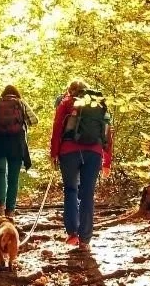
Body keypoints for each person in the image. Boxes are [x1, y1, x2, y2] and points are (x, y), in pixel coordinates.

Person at [50, 79, 113, 248]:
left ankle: (72, 233)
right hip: (94, 152)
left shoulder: (66, 102)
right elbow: (107, 133)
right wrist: (107, 161)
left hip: (68, 152)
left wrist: (54, 153)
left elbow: (57, 128)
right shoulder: (99, 105)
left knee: (70, 190)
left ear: (69, 90)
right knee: (87, 194)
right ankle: (85, 240)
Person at [0, 84, 37, 218]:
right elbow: (34, 120)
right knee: (14, 178)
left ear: (3, 94)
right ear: (16, 93)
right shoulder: (21, 103)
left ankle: (1, 209)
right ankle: (10, 212)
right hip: (16, 143)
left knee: (0, 174)